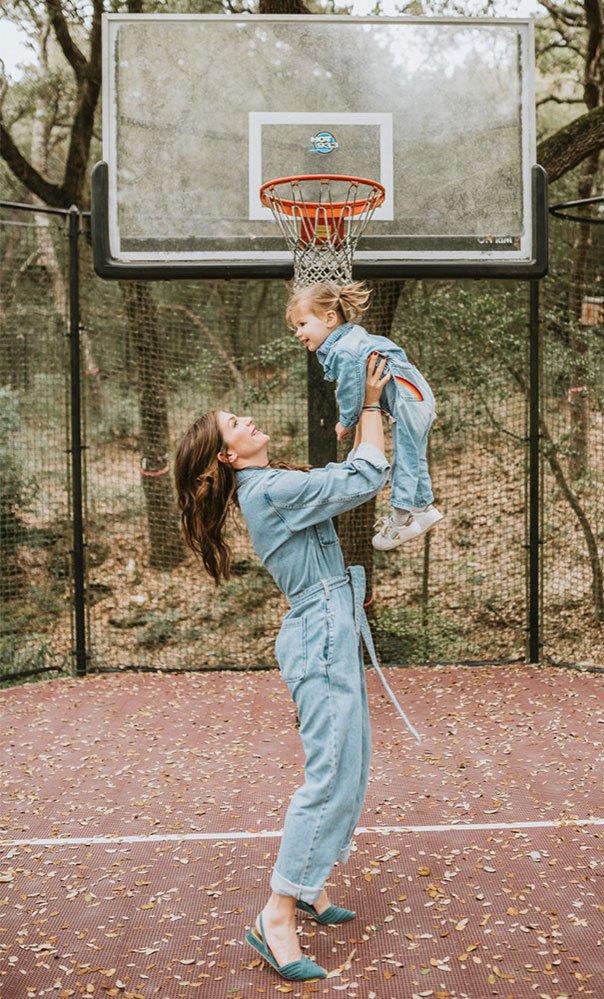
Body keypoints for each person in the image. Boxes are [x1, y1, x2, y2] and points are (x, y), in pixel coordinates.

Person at [173, 354, 421, 982]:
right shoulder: (271, 490)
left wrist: (343, 586)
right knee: (329, 773)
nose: (249, 419)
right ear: (227, 456)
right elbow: (365, 475)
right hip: (320, 637)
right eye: (237, 423)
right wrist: (369, 403)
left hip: (328, 624)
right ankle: (275, 914)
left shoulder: (270, 482)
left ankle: (310, 885)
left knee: (352, 761)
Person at [286, 281, 443, 551]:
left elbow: (351, 391)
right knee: (414, 456)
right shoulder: (354, 337)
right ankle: (423, 508)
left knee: (406, 458)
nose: (298, 333)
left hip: (409, 398)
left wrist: (345, 422)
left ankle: (401, 520)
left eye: (302, 324)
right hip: (416, 395)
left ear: (329, 318)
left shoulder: (344, 350)